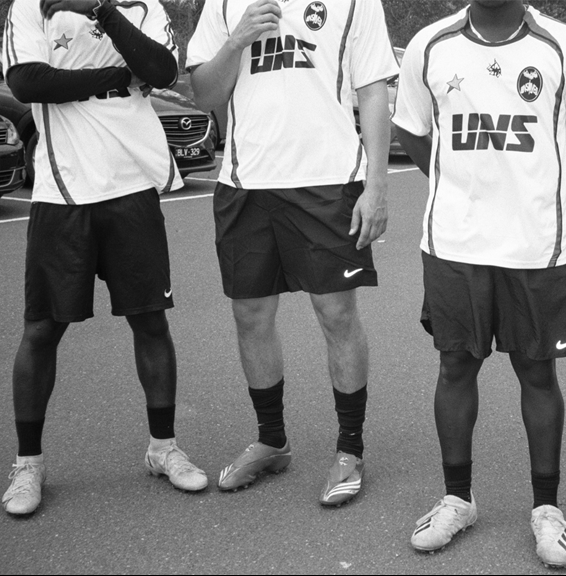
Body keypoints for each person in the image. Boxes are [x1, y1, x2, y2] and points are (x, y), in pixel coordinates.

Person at [392, 0, 566, 567]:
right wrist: (466, 188)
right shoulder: (430, 45)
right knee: (455, 365)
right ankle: (457, 498)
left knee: (537, 371)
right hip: (455, 244)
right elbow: (415, 133)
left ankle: (547, 510)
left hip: (535, 244)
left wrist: (535, 185)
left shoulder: (564, 46)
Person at [185, 0, 398, 505]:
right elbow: (204, 93)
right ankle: (271, 439)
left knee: (336, 313)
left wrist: (378, 184)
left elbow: (371, 91)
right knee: (250, 315)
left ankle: (349, 449)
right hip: (247, 183)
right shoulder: (223, 3)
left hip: (327, 181)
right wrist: (236, 41)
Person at [1, 0, 208, 515]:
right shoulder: (32, 6)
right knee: (42, 330)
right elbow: (27, 82)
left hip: (131, 185)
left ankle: (163, 448)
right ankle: (28, 464)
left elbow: (160, 70)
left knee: (150, 322)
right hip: (63, 192)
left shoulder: (142, 7)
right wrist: (117, 75)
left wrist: (100, 10)